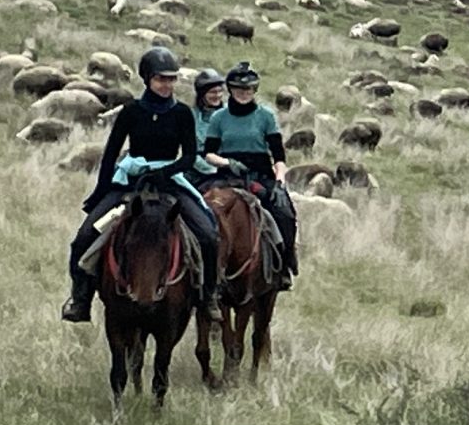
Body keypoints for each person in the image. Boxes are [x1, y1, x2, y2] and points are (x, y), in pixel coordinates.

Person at [60, 46, 218, 322]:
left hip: (169, 182)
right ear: (147, 78)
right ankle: (81, 299)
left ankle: (207, 298)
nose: (166, 84)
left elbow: (189, 157)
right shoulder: (131, 111)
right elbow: (111, 153)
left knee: (207, 235)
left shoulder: (182, 113)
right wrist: (102, 191)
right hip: (131, 181)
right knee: (83, 238)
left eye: (171, 79)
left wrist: (165, 172)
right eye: (161, 79)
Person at [201, 60, 296, 290]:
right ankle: (200, 270)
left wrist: (280, 181)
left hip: (260, 175)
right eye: (239, 89)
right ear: (230, 89)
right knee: (200, 209)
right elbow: (208, 153)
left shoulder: (266, 116)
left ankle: (284, 266)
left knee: (285, 214)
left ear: (255, 90)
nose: (244, 93)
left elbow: (278, 155)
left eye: (249, 89)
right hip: (226, 176)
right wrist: (227, 163)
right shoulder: (219, 117)